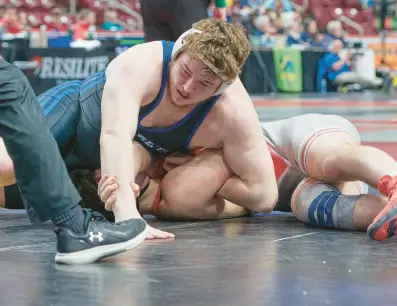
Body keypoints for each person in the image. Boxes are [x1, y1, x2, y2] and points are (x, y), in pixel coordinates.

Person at [0, 19, 278, 237]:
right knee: (6, 166)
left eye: (205, 85)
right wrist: (129, 218)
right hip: (75, 118)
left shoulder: (233, 113)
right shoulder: (142, 63)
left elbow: (265, 196)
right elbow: (114, 135)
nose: (187, 87)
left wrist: (220, 188)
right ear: (178, 51)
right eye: (185, 71)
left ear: (223, 88)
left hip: (98, 177)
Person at [98, 113, 397, 242]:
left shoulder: (154, 145)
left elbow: (130, 149)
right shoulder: (175, 199)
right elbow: (254, 204)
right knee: (311, 206)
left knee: (327, 163)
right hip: (291, 189)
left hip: (293, 141)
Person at [0, 60, 147, 265]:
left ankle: (74, 225)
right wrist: (128, 211)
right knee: (9, 83)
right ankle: (74, 226)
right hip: (77, 105)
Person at [140, 0, 227, 42]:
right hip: (185, 4)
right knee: (195, 50)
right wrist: (220, 4)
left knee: (157, 53)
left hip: (150, 4)